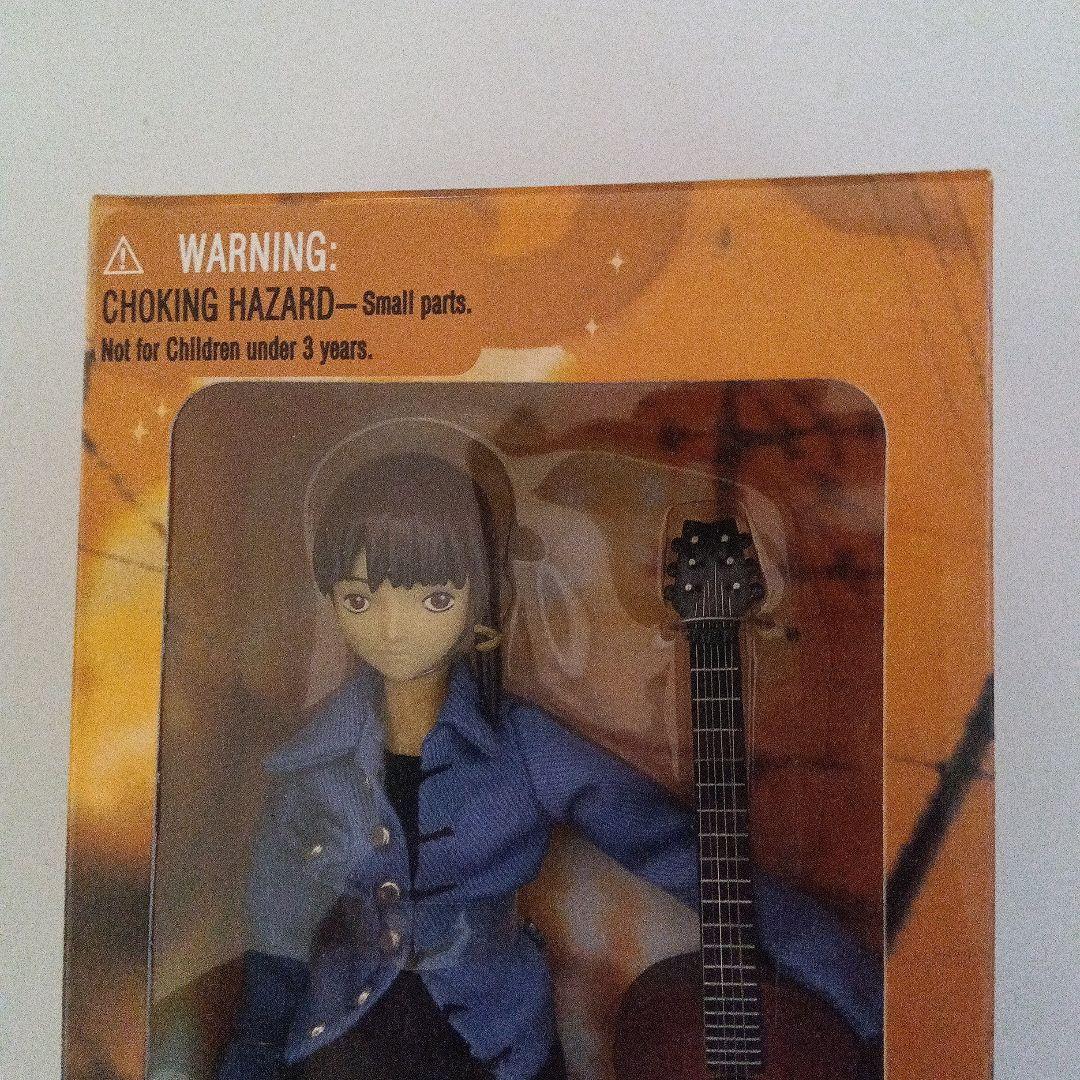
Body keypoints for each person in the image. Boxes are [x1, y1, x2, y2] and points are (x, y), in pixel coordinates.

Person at [217, 447, 881, 1080]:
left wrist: (860, 993)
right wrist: (252, 1054)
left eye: (434, 598)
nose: (392, 628)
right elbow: (277, 932)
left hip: (496, 1041)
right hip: (346, 1036)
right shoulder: (312, 764)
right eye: (360, 599)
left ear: (479, 596)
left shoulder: (522, 748)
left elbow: (673, 849)